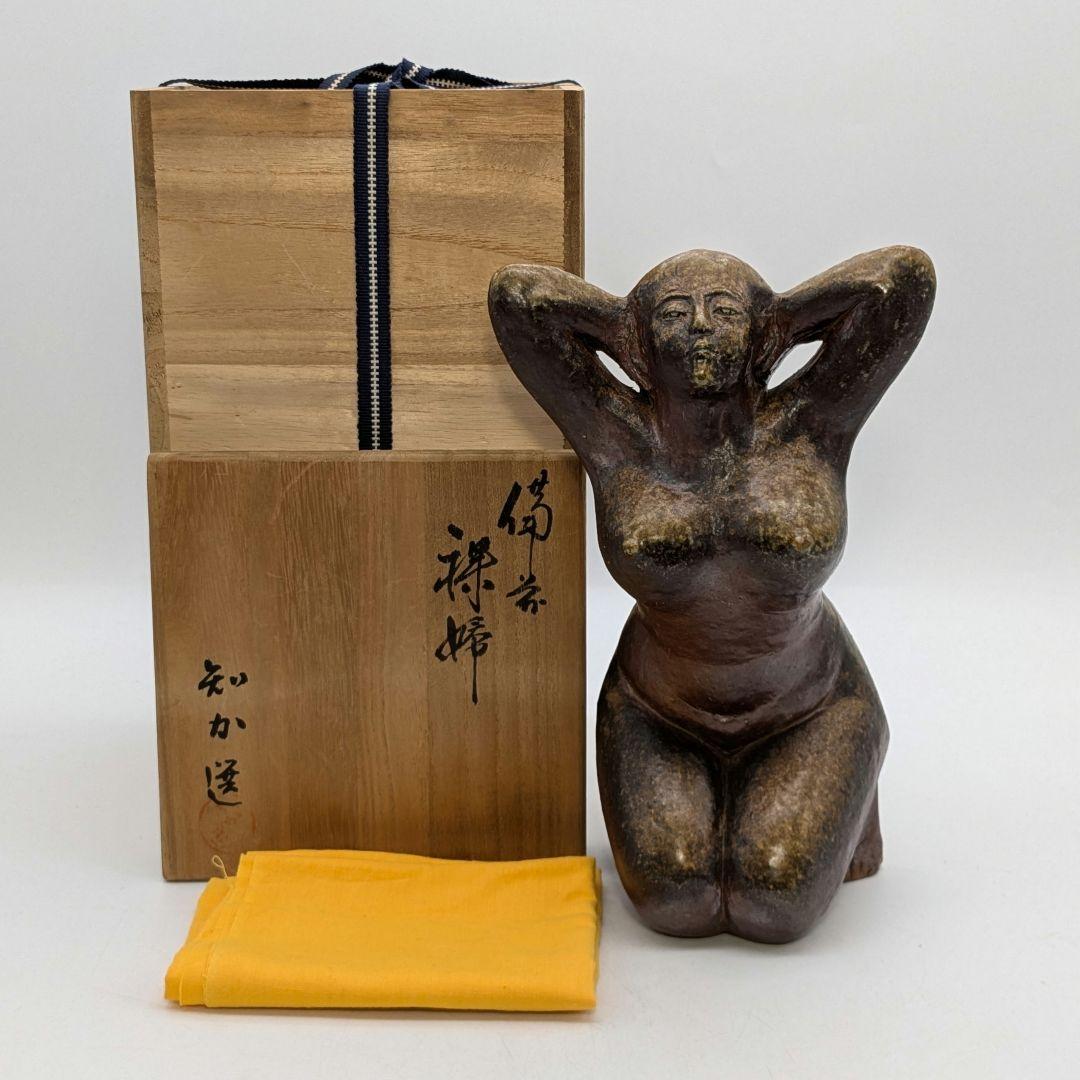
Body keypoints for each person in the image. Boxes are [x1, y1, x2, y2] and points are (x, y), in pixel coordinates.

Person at [488, 246, 936, 941]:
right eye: (675, 314)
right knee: (675, 900)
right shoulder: (615, 435)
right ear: (644, 340)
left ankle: (849, 784)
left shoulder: (813, 420)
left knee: (774, 899)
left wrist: (784, 319)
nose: (700, 325)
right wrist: (619, 323)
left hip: (809, 705)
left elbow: (904, 281)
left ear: (757, 332)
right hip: (657, 713)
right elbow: (518, 298)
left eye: (724, 311)